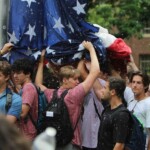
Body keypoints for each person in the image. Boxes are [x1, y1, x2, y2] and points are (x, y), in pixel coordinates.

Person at [35, 41, 100, 150]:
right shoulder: (74, 94)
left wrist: (41, 63)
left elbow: (38, 84)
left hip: (55, 143)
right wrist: (91, 49)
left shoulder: (51, 94)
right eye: (74, 79)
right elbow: (95, 71)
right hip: (72, 143)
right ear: (64, 80)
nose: (77, 82)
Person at [98, 77, 131, 150]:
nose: (102, 90)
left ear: (113, 92)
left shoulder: (122, 114)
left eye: (104, 88)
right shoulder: (107, 109)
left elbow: (119, 145)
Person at [77, 60, 104, 150]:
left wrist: (82, 58)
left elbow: (81, 71)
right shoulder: (78, 85)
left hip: (94, 139)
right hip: (82, 138)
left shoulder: (101, 84)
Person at [11, 58, 38, 141]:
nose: (15, 76)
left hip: (27, 136)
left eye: (18, 73)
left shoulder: (28, 88)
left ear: (28, 74)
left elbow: (22, 112)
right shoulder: (26, 87)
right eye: (14, 72)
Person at [128, 71, 150, 149]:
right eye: (133, 82)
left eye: (138, 83)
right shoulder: (131, 101)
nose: (134, 85)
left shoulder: (148, 103)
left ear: (145, 86)